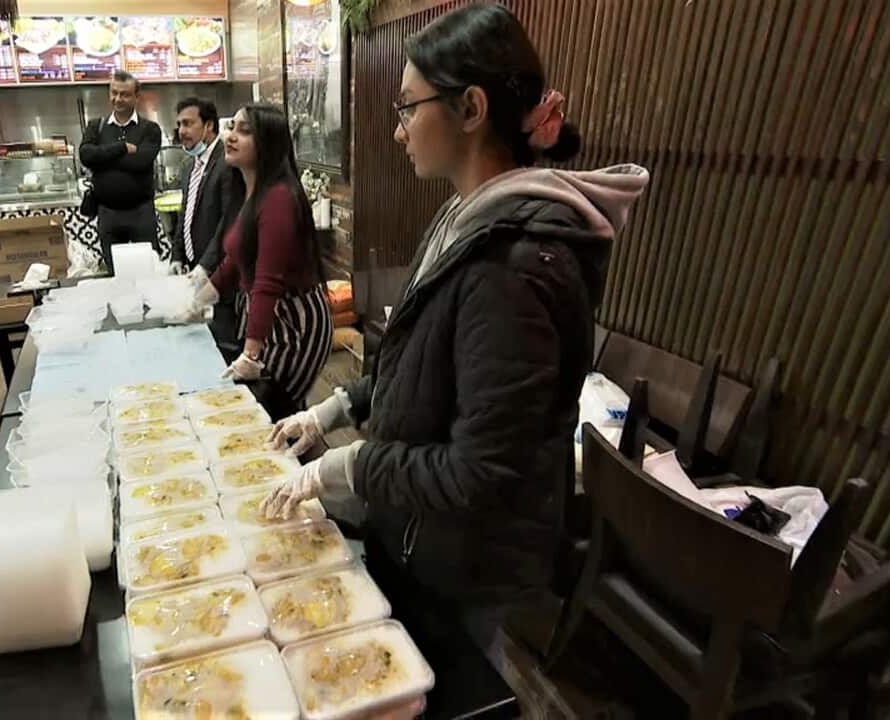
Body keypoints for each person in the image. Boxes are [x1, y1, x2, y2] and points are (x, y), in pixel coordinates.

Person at [261, 3, 649, 659]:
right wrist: (333, 412)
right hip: (420, 536)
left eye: (409, 107)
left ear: (470, 109)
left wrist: (347, 466)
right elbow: (417, 362)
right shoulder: (465, 218)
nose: (398, 131)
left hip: (465, 564)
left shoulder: (515, 266)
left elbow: (482, 471)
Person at [188, 104, 333, 421]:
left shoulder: (279, 197)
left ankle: (314, 470)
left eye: (244, 131)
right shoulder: (250, 193)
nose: (231, 136)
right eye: (232, 127)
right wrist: (198, 298)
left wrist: (250, 354)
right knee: (279, 418)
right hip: (270, 318)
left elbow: (267, 282)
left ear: (268, 142)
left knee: (276, 414)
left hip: (295, 325)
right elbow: (235, 261)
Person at [168, 96, 239, 355]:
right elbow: (184, 216)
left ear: (208, 126)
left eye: (188, 124)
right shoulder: (189, 165)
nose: (182, 131)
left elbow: (228, 222)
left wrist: (206, 266)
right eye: (179, 125)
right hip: (193, 269)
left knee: (224, 342)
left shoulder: (226, 163)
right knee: (200, 341)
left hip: (221, 271)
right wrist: (177, 255)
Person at [78, 70, 163, 275]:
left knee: (148, 272)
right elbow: (86, 156)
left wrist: (102, 159)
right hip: (108, 213)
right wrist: (122, 148)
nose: (118, 99)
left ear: (136, 96)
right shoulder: (96, 126)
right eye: (114, 93)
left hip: (141, 213)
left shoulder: (150, 129)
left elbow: (141, 162)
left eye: (124, 94)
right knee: (115, 274)